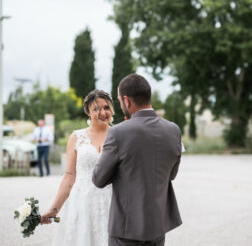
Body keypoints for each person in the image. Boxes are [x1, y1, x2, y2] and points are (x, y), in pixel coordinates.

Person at [93, 74, 183, 246]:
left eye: (119, 100)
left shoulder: (117, 133)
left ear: (126, 101)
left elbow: (98, 179)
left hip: (125, 229)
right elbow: (172, 174)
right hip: (157, 227)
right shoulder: (174, 130)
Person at [40, 90, 114, 246]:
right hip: (82, 203)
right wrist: (54, 211)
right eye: (96, 109)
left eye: (106, 107)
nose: (103, 112)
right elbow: (69, 177)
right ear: (88, 112)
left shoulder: (119, 135)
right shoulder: (76, 137)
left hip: (112, 202)